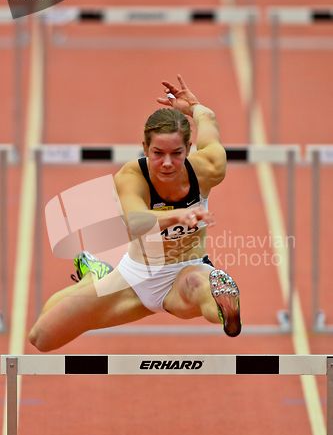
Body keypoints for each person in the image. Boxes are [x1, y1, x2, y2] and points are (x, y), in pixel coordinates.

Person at [29, 75, 241, 352]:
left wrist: (194, 107)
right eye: (158, 153)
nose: (167, 163)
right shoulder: (132, 176)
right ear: (145, 148)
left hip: (184, 270)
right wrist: (177, 216)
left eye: (176, 153)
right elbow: (136, 222)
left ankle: (227, 306)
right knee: (42, 338)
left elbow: (208, 119)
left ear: (189, 149)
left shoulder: (209, 167)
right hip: (135, 278)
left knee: (201, 287)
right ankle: (97, 275)